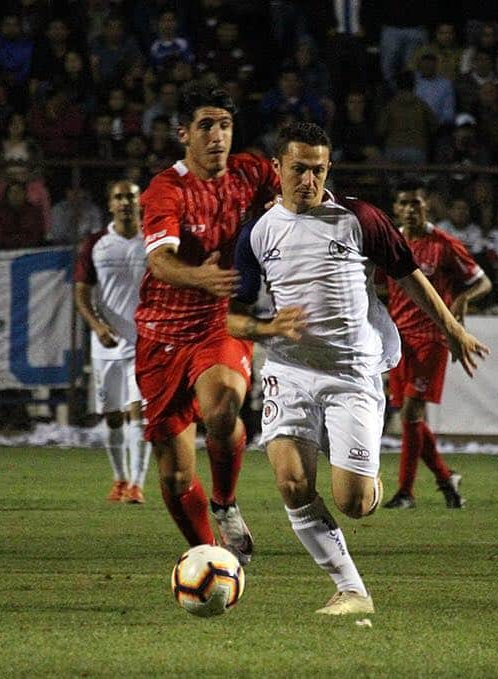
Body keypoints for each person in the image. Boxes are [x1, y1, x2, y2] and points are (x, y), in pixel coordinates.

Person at [230, 122, 489, 614]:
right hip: (289, 371)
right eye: (298, 169)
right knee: (290, 481)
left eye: (318, 170)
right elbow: (234, 316)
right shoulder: (257, 232)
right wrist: (267, 329)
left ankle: (362, 474)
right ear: (277, 169)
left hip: (352, 372)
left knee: (353, 502)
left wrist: (453, 330)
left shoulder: (359, 218)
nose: (308, 180)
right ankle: (351, 589)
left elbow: (408, 275)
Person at [134, 82, 280, 565]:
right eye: (206, 126)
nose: (217, 136)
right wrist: (199, 275)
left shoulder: (251, 172)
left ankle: (225, 502)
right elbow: (160, 262)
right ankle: (209, 557)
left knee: (222, 410)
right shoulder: (166, 189)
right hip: (160, 335)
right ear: (184, 134)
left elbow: (301, 191)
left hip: (218, 325)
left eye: (225, 125)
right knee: (175, 478)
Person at [380, 180, 491, 510]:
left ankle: (405, 492)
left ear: (427, 207)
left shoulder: (444, 243)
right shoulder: (390, 242)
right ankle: (446, 478)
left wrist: (460, 301)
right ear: (396, 209)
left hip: (432, 337)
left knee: (412, 412)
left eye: (417, 203)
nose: (411, 209)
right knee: (410, 419)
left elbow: (482, 281)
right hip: (398, 340)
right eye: (405, 203)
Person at [73, 180, 151, 503]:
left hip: (145, 342)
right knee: (113, 415)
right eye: (118, 197)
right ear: (110, 204)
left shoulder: (152, 241)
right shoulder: (96, 243)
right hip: (106, 344)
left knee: (139, 413)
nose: (125, 202)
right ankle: (119, 478)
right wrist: (97, 326)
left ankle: (136, 484)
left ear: (139, 202)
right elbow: (80, 294)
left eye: (131, 197)